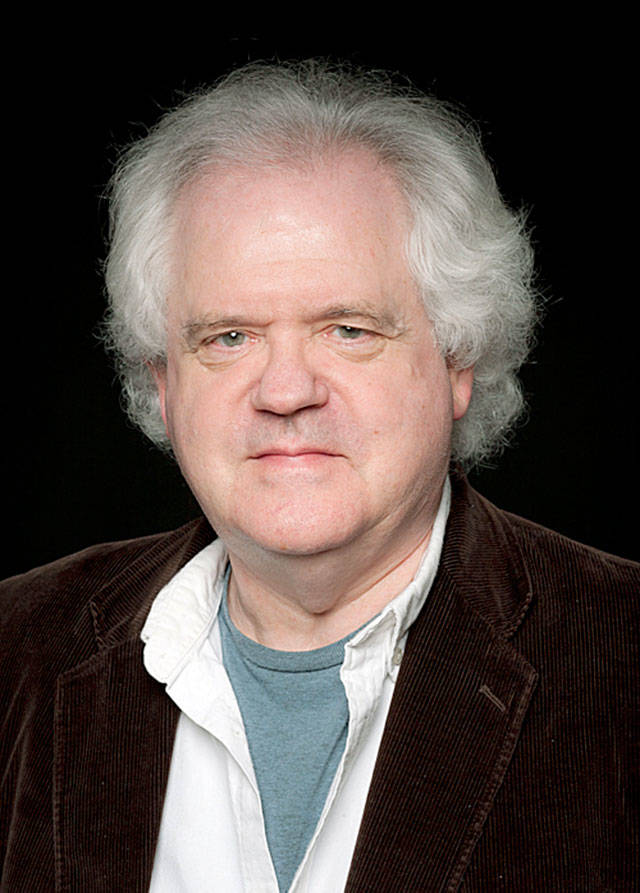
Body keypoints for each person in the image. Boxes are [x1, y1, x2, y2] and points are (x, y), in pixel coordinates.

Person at [1, 60, 637, 892]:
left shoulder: (620, 653)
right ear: (162, 383)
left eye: (348, 329)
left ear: (458, 359)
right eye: (229, 337)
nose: (285, 390)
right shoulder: (17, 644)